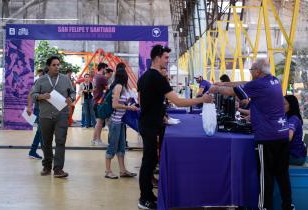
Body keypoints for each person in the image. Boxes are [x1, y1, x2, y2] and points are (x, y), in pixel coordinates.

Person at [209, 58, 293, 210]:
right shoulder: (273, 80)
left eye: (251, 70)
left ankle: (264, 207)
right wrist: (224, 83)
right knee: (282, 175)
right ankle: (288, 205)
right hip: (282, 134)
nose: (250, 73)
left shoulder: (258, 84)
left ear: (257, 71)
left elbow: (234, 91)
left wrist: (215, 88)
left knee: (264, 177)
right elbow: (242, 84)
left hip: (267, 137)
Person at [137, 45, 212, 209]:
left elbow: (142, 99)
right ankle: (144, 198)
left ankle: (149, 195)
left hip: (148, 123)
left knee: (151, 160)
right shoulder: (157, 78)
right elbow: (178, 102)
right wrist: (202, 100)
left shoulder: (145, 76)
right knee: (149, 161)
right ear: (157, 58)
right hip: (150, 125)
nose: (167, 61)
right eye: (165, 58)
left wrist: (160, 113)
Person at [31, 56, 76, 178]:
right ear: (48, 66)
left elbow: (73, 92)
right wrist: (41, 96)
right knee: (46, 142)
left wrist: (70, 98)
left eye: (58, 65)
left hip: (62, 115)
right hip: (45, 115)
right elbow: (33, 94)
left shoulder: (65, 79)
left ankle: (58, 169)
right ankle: (46, 166)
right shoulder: (41, 80)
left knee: (60, 141)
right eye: (54, 65)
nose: (57, 67)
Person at [104, 65, 138, 179]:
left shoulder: (121, 87)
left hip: (120, 121)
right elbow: (115, 105)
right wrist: (129, 108)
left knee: (121, 146)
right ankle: (108, 171)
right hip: (115, 122)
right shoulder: (118, 86)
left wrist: (128, 102)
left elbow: (119, 103)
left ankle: (122, 170)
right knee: (113, 145)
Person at [26, 69, 44, 159]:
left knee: (40, 131)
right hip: (39, 109)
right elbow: (30, 94)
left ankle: (32, 151)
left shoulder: (52, 82)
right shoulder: (40, 81)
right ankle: (47, 153)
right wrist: (29, 107)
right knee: (42, 131)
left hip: (46, 110)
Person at [284, 95, 307, 165]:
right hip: (293, 153)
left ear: (291, 106)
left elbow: (288, 137)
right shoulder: (286, 116)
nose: (281, 106)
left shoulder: (293, 119)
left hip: (296, 157)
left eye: (284, 104)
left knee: (267, 158)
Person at [92, 63, 109, 146]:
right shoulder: (102, 77)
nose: (106, 70)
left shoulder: (95, 76)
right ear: (103, 68)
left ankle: (94, 139)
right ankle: (98, 140)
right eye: (106, 68)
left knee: (98, 122)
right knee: (100, 122)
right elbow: (108, 88)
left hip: (95, 100)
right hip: (100, 102)